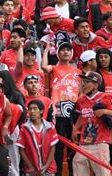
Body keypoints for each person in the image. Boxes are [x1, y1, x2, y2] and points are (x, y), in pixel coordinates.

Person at [73, 71, 112, 175]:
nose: (83, 84)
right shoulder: (81, 99)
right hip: (84, 142)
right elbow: (81, 115)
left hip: (101, 142)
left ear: (96, 85)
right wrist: (75, 129)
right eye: (83, 81)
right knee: (77, 164)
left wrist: (105, 111)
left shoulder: (106, 97)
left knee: (103, 172)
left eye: (87, 82)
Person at [41, 42, 80, 176]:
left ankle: (72, 172)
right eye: (63, 50)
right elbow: (44, 67)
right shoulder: (55, 68)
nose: (66, 52)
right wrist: (46, 50)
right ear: (58, 53)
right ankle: (57, 172)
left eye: (69, 50)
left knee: (73, 147)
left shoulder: (78, 73)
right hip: (58, 113)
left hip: (74, 114)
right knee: (58, 146)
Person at [16, 100, 58, 176]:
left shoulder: (50, 127)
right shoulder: (24, 128)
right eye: (30, 109)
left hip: (49, 169)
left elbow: (53, 148)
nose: (32, 111)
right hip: (32, 170)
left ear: (41, 111)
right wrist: (30, 166)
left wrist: (46, 166)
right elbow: (21, 149)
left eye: (35, 108)